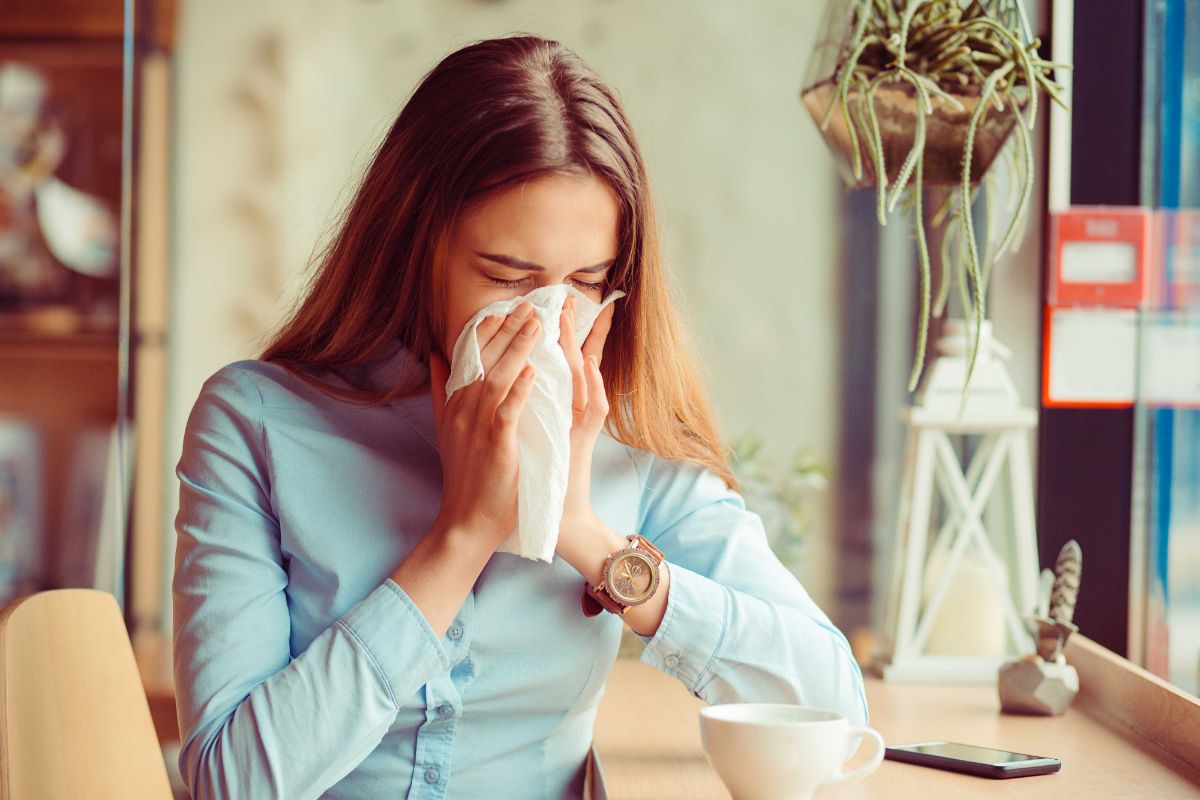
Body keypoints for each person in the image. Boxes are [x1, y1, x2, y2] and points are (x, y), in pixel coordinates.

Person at [172, 33, 868, 800]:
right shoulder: (258, 423)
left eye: (585, 281)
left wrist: (582, 532)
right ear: (415, 248)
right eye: (508, 278)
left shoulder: (630, 443)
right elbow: (229, 784)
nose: (545, 321)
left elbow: (834, 704)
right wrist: (460, 539)